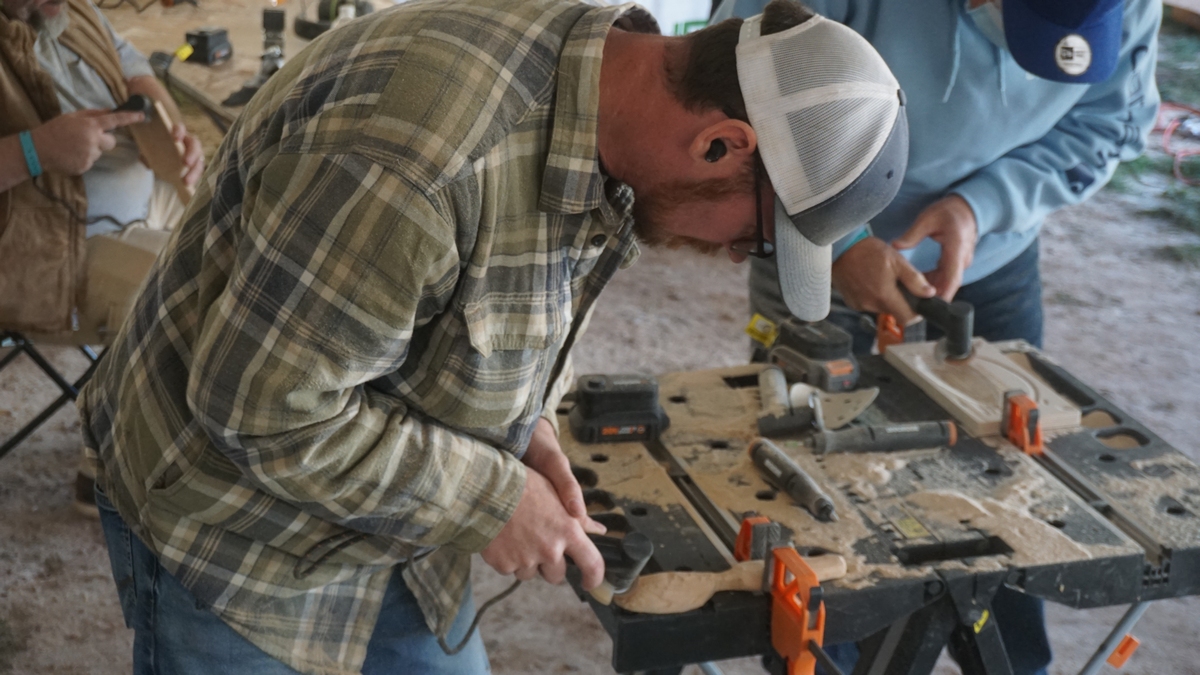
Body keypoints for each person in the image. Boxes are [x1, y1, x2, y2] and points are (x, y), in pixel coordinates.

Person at [76, 0, 910, 673]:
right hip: (234, 533)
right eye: (759, 237)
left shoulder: (610, 96)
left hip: (396, 518)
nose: (736, 256)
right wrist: (495, 499)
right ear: (723, 142)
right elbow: (260, 408)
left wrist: (531, 426)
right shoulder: (421, 165)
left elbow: (520, 286)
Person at [714, 0, 1161, 673]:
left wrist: (983, 204)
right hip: (814, 236)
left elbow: (1108, 122)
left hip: (990, 251)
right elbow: (732, 97)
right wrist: (839, 234)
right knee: (817, 494)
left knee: (1014, 484)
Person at [0, 0, 204, 515]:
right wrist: (36, 150)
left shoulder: (70, 9)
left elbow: (134, 69)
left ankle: (195, 435)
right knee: (185, 291)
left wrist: (171, 130)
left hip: (141, 200)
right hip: (42, 252)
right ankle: (108, 466)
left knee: (244, 230)